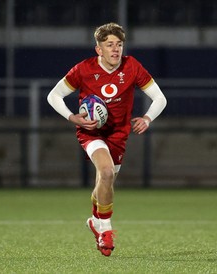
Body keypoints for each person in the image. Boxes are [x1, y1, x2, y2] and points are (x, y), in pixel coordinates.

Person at [47, 22, 167, 256]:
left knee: (105, 182)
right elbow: (54, 95)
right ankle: (106, 230)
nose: (115, 49)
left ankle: (95, 221)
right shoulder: (83, 69)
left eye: (119, 45)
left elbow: (160, 98)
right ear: (98, 50)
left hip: (118, 135)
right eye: (109, 45)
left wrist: (147, 118)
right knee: (107, 172)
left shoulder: (132, 67)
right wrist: (73, 117)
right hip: (91, 132)